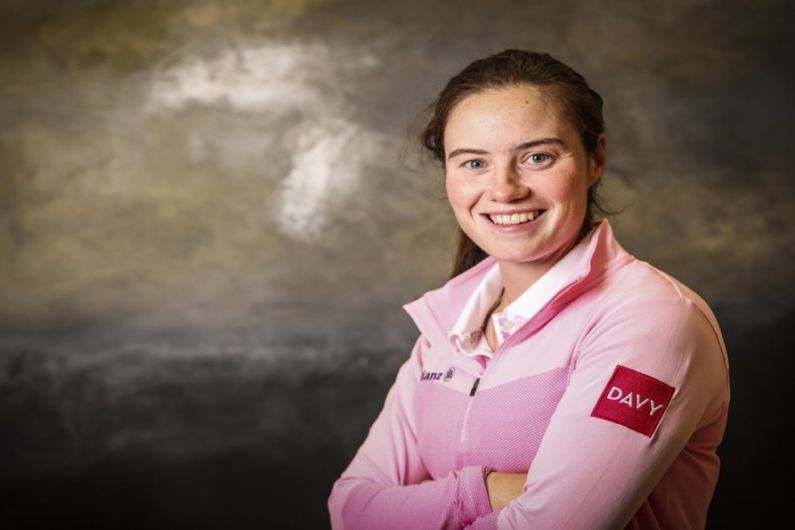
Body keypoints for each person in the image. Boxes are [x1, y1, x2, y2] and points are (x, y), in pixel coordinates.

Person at [327, 49, 730, 529]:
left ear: (595, 158)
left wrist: (420, 508)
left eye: (537, 157)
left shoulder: (652, 319)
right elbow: (350, 510)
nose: (504, 189)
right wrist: (486, 492)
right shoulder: (449, 325)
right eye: (474, 163)